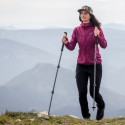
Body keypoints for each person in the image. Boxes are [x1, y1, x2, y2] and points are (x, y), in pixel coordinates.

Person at [62, 5, 107, 120]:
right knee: (82, 92)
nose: (83, 15)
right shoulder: (77, 30)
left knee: (93, 93)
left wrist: (98, 36)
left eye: (85, 13)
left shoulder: (96, 29)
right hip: (81, 65)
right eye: (81, 13)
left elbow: (104, 45)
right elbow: (72, 46)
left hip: (95, 65)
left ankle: (101, 106)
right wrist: (66, 42)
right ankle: (86, 118)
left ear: (90, 15)